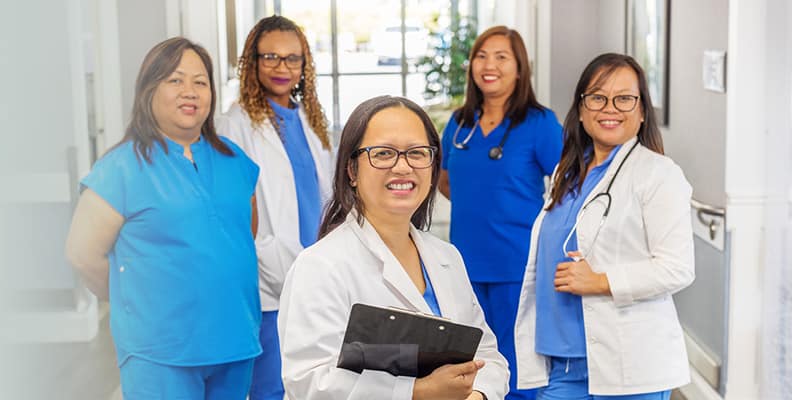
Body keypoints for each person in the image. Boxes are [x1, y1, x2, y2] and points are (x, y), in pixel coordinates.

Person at [64, 37, 262, 399]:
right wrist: (136, 298)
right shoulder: (121, 167)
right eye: (175, 80)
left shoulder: (236, 160)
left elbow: (243, 234)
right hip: (160, 351)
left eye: (200, 82)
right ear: (148, 89)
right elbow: (82, 254)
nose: (190, 91)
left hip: (234, 339)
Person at [280, 95, 507, 400]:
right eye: (384, 153)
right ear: (351, 170)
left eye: (417, 153)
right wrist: (417, 392)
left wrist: (478, 395)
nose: (403, 167)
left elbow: (488, 356)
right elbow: (309, 382)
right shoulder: (320, 265)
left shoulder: (446, 258)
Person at [513, 53, 694, 400]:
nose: (609, 107)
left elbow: (677, 268)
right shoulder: (566, 174)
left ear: (642, 112)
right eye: (597, 97)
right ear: (581, 110)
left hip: (628, 366)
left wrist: (601, 281)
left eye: (624, 98)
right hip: (560, 365)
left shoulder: (659, 174)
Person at [435, 26, 563, 400]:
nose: (489, 65)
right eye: (481, 56)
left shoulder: (540, 124)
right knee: (469, 362)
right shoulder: (460, 124)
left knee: (516, 364)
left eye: (501, 57)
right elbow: (444, 181)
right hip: (464, 263)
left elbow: (567, 186)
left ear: (520, 68)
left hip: (517, 264)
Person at [216, 15, 334, 400]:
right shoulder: (234, 126)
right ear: (252, 62)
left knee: (318, 381)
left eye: (292, 58)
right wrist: (266, 258)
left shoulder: (312, 121)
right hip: (268, 279)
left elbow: (326, 197)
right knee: (270, 386)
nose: (282, 68)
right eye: (270, 57)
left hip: (318, 273)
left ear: (304, 66)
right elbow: (232, 214)